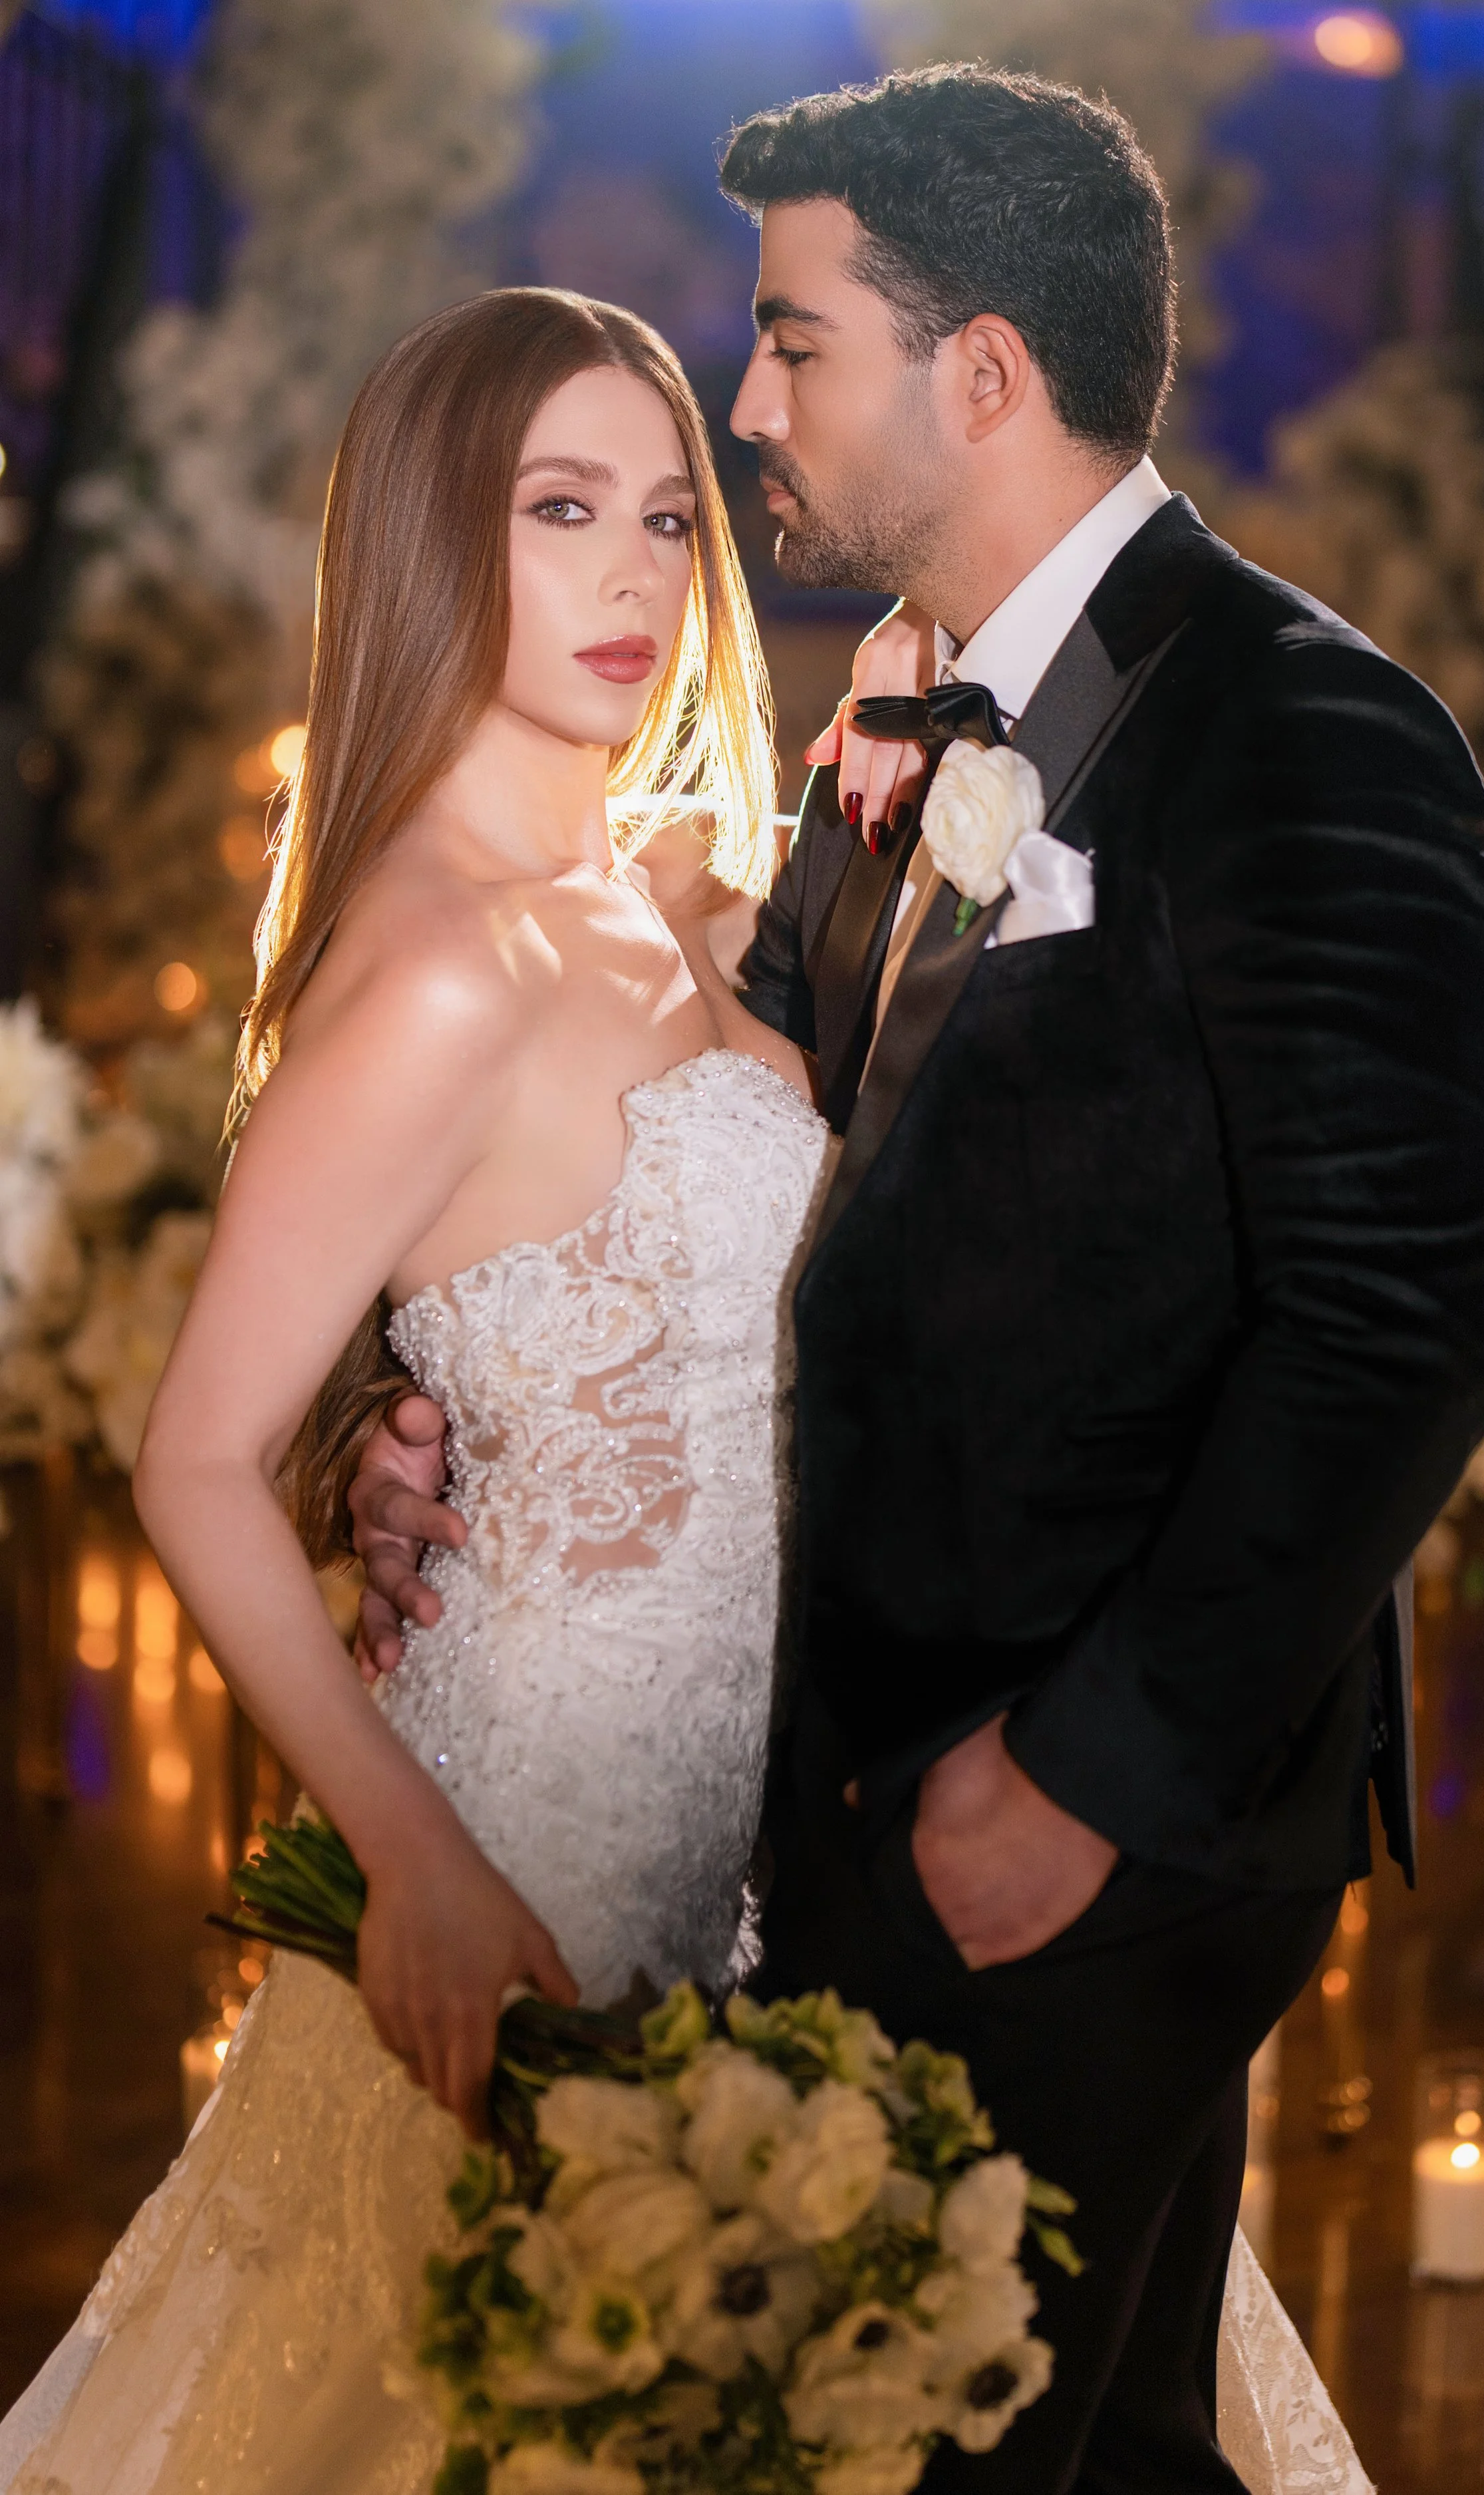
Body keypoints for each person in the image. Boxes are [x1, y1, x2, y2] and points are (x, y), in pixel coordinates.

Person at [353, 64, 1484, 2495]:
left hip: (1090, 1812)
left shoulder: (1300, 729)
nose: (750, 396)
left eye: (792, 346)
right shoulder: (892, 718)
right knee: (1048, 2448)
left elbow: (1400, 1309)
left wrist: (1081, 1777)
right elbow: (778, 1188)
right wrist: (475, 1417)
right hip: (864, 1782)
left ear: (975, 371)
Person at [0, 285, 827, 2492]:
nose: (636, 572)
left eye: (668, 516)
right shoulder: (449, 955)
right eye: (562, 509)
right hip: (534, 1842)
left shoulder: (656, 900)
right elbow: (185, 1452)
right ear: (428, 545)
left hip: (774, 1826)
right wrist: (418, 1860)